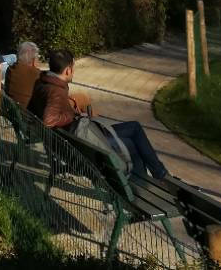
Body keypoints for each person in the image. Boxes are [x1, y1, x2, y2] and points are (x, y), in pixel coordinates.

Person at [29, 48, 169, 181]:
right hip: (85, 140)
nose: (73, 72)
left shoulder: (42, 82)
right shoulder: (56, 91)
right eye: (73, 69)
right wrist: (73, 116)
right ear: (68, 70)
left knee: (132, 131)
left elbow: (40, 111)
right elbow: (48, 120)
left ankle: (150, 176)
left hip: (70, 139)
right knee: (135, 130)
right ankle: (159, 174)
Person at [6, 41, 42, 107]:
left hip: (10, 109)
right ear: (34, 60)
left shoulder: (11, 69)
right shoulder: (36, 74)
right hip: (28, 113)